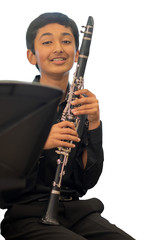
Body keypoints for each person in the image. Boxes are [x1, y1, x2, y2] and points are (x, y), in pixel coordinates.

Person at [1, 12, 135, 240]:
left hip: (76, 212)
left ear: (77, 54)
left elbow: (86, 181)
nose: (58, 48)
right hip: (26, 214)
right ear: (31, 56)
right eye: (47, 42)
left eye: (66, 41)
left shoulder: (81, 106)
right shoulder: (12, 104)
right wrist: (38, 143)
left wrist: (93, 123)